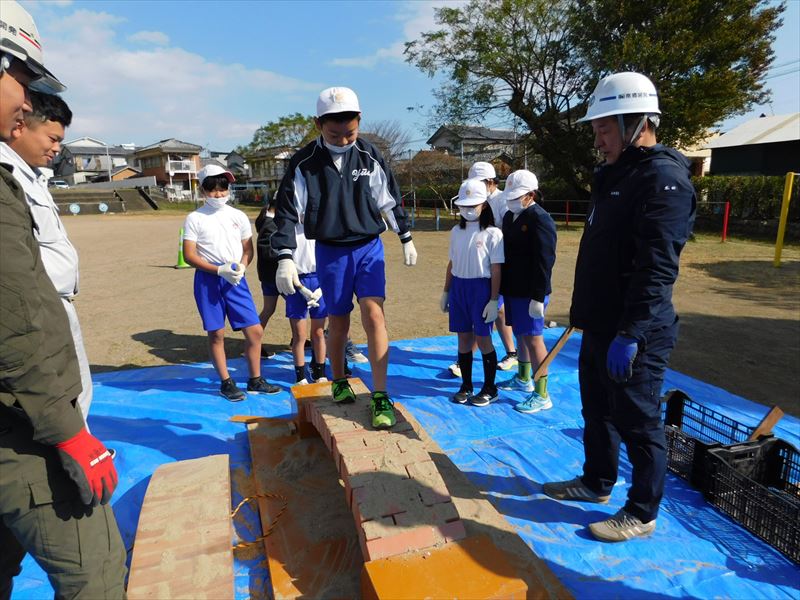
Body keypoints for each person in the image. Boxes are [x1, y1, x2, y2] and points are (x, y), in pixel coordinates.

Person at [0, 2, 127, 597]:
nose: (24, 99)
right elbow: (14, 317)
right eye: (21, 79)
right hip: (21, 418)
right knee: (95, 572)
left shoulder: (25, 176)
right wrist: (67, 431)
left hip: (25, 404)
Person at [542, 72, 696, 542]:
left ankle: (642, 511)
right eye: (596, 129)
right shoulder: (615, 175)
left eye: (604, 128)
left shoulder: (663, 180)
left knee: (638, 418)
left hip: (636, 330)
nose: (597, 139)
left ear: (637, 123)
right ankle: (596, 482)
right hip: (600, 325)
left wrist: (631, 332)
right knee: (597, 410)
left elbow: (656, 269)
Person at [272, 86, 418, 429]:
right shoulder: (304, 163)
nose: (342, 139)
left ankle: (381, 394)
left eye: (349, 132)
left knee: (374, 315)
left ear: (359, 121)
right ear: (318, 124)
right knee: (338, 321)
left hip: (368, 246)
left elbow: (389, 200)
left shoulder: (370, 156)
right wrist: (284, 256)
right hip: (330, 251)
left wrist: (405, 236)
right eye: (333, 133)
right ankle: (338, 380)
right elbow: (288, 212)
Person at [0, 92, 97, 431]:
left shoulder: (35, 176)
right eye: (53, 138)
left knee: (78, 385)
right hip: (37, 303)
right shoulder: (7, 174)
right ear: (20, 126)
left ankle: (80, 454)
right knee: (60, 391)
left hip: (58, 301)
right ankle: (72, 463)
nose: (57, 149)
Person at [182, 164, 281, 400]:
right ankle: (226, 382)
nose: (218, 194)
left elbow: (248, 249)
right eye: (213, 189)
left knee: (255, 331)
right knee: (216, 333)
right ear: (203, 190)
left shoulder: (238, 216)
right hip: (208, 281)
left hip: (236, 280)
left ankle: (255, 379)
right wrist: (219, 270)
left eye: (223, 188)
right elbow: (189, 255)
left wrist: (242, 267)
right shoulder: (194, 218)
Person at [447, 161, 517, 378]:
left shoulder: (503, 201)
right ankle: (508, 352)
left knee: (493, 312)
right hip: (475, 269)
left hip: (497, 262)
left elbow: (509, 232)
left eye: (477, 184)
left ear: (489, 182)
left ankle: (507, 354)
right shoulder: (457, 230)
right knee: (487, 315)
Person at [496, 170, 557, 414]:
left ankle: (542, 393)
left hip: (532, 292)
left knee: (533, 338)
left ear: (530, 195)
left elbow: (545, 260)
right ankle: (523, 378)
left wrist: (538, 296)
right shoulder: (511, 216)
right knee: (520, 334)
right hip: (513, 289)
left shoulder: (540, 219)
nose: (511, 200)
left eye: (517, 196)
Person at [440, 178, 504, 407]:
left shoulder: (493, 233)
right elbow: (452, 262)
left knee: (483, 338)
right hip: (459, 287)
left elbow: (496, 269)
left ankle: (490, 387)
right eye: (464, 205)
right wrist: (446, 291)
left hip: (481, 289)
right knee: (463, 337)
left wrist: (494, 299)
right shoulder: (456, 231)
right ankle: (466, 385)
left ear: (484, 205)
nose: (468, 210)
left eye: (473, 205)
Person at [285, 208, 328, 385]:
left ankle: (320, 372)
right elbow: (286, 263)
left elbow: (330, 262)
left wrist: (322, 289)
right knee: (299, 335)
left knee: (318, 332)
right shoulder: (288, 232)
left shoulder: (322, 230)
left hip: (319, 282)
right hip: (297, 283)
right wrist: (301, 287)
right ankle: (300, 376)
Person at [255, 195, 281, 358]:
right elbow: (268, 252)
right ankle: (253, 343)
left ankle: (254, 343)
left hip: (270, 275)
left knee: (269, 309)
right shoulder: (270, 224)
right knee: (298, 308)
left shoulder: (267, 220)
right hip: (275, 275)